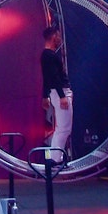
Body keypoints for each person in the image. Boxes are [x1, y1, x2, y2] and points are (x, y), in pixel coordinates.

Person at [40, 26, 73, 164]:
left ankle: (55, 159)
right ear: (54, 36)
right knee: (64, 128)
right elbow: (52, 77)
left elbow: (47, 78)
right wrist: (61, 96)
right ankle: (54, 159)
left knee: (62, 128)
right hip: (61, 92)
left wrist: (45, 95)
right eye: (58, 36)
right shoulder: (49, 55)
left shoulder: (47, 55)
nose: (60, 39)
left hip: (57, 92)